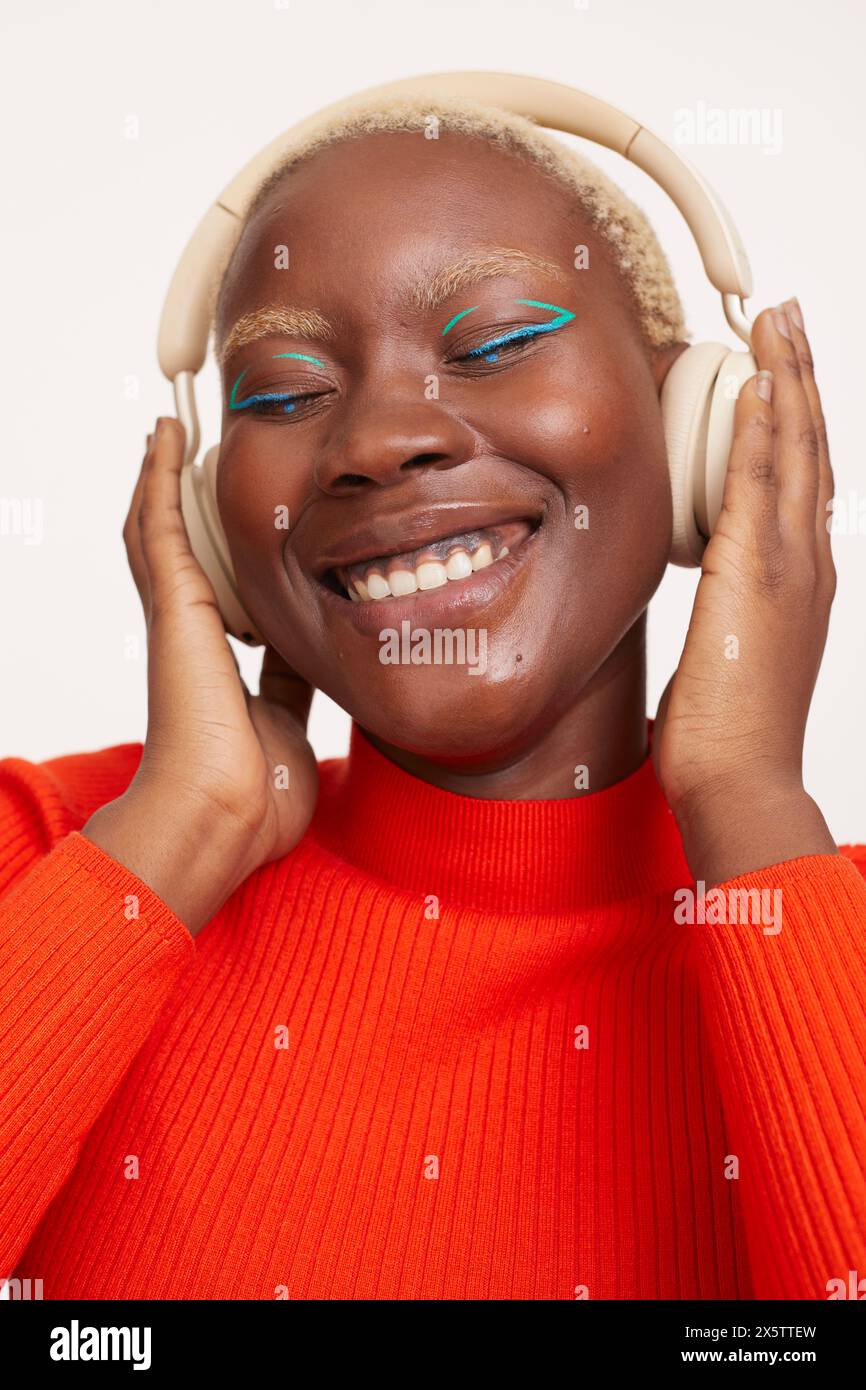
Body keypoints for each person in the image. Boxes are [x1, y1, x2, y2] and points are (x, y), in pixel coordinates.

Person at [2, 95, 865, 1301]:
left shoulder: (832, 936)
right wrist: (179, 831)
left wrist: (746, 801)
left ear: (704, 431)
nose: (381, 438)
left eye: (496, 343)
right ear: (206, 517)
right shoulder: (47, 860)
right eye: (285, 389)